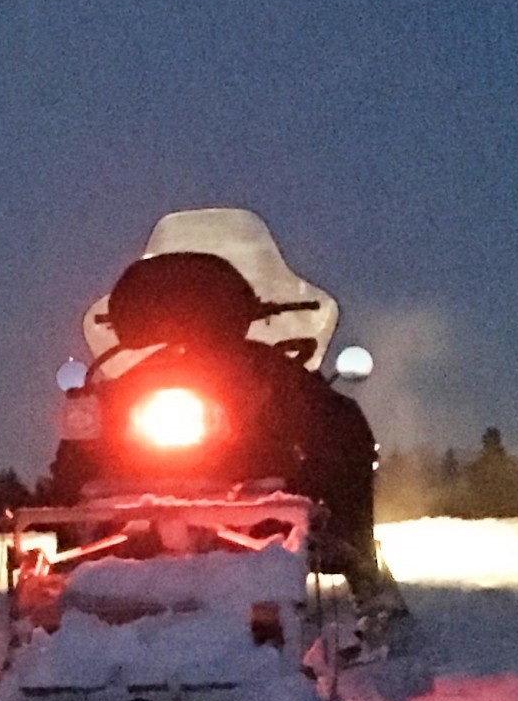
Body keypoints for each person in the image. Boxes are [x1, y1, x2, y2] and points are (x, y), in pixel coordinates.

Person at [48, 248, 381, 590]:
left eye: (195, 301)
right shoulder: (132, 382)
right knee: (83, 430)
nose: (185, 313)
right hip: (141, 468)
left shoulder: (274, 375)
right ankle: (70, 567)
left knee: (340, 419)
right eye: (175, 302)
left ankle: (359, 569)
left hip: (253, 469)